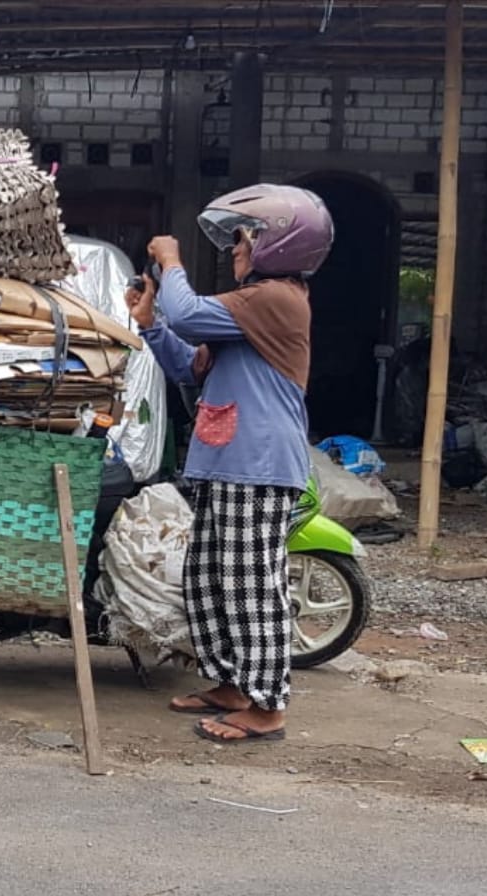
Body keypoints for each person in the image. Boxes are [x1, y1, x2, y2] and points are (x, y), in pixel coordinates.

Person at [126, 184, 333, 743]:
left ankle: (267, 707)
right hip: (225, 462)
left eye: (243, 240)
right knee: (208, 579)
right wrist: (149, 323)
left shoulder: (277, 299)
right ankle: (231, 684)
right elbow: (188, 365)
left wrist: (171, 263)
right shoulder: (249, 309)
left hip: (259, 466)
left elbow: (188, 312)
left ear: (278, 243)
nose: (235, 251)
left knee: (248, 584)